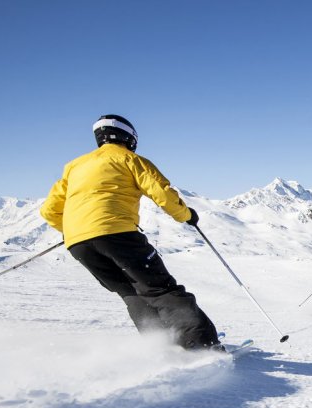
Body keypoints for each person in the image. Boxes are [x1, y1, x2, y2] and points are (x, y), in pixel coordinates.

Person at [40, 114, 222, 351]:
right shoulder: (129, 159)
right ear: (129, 137)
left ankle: (161, 346)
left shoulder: (74, 166)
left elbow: (49, 210)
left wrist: (74, 230)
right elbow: (162, 193)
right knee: (160, 289)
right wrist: (186, 215)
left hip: (79, 244)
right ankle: (200, 346)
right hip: (118, 235)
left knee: (130, 292)